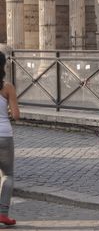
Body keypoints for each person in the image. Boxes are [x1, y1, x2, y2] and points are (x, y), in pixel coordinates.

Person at [0, 52, 19, 226]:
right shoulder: (8, 87)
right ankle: (3, 213)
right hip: (5, 135)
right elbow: (16, 115)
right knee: (8, 174)